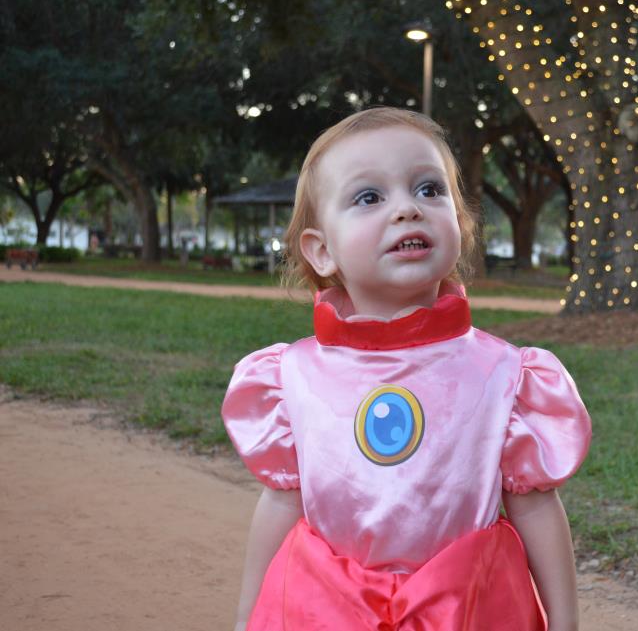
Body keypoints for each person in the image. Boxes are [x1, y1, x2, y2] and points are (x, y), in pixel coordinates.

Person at [221, 107, 592, 631]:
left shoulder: (505, 377)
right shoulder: (293, 380)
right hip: (327, 612)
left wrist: (565, 621)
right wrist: (247, 617)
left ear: (459, 224)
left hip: (469, 611)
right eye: (369, 197)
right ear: (322, 251)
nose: (407, 209)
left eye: (429, 189)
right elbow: (282, 504)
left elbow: (534, 507)